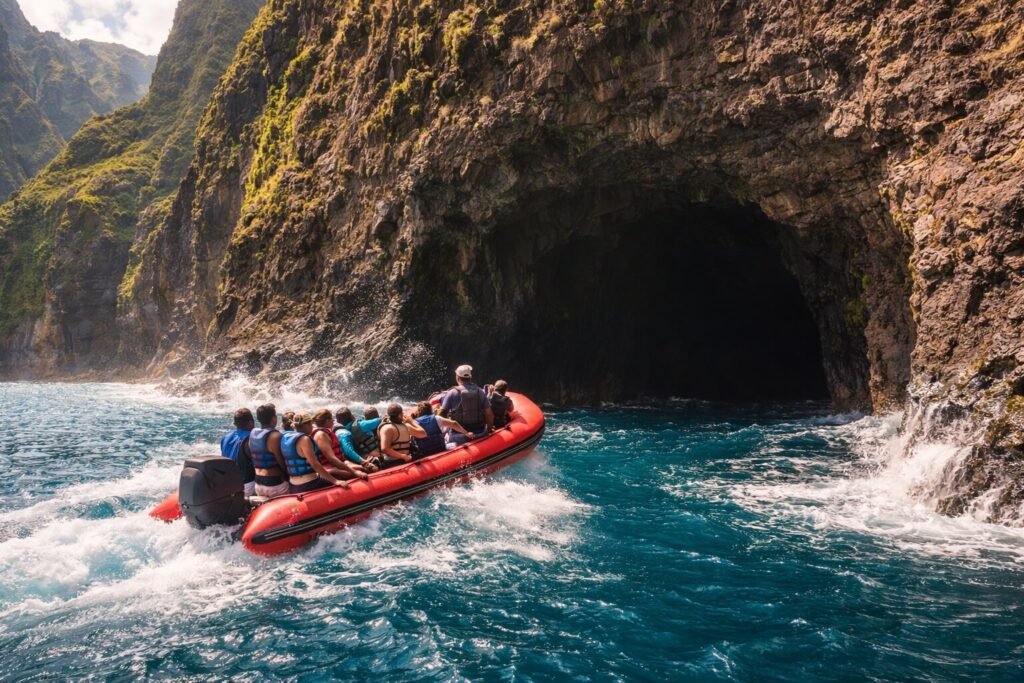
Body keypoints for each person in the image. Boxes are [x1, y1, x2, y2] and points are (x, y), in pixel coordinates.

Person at [281, 412, 350, 493]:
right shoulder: (305, 439)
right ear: (307, 425)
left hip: (293, 485)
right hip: (309, 484)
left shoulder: (285, 437)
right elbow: (314, 464)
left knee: (330, 473)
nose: (312, 427)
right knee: (344, 477)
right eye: (311, 424)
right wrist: (335, 481)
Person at [440, 364, 493, 445]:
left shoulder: (452, 393)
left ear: (457, 378)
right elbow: (489, 414)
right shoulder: (480, 392)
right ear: (470, 378)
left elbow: (441, 415)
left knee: (445, 436)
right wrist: (489, 431)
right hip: (480, 433)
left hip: (458, 436)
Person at [311, 409, 368, 481]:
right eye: (332, 418)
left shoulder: (327, 432)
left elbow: (341, 459)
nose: (334, 421)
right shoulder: (321, 435)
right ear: (327, 421)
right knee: (361, 471)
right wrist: (355, 472)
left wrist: (364, 464)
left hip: (336, 465)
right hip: (329, 468)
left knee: (365, 467)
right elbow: (332, 460)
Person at [250, 403, 290, 498]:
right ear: (273, 419)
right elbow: (282, 463)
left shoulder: (253, 433)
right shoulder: (275, 436)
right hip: (275, 484)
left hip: (258, 484)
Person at [220, 408, 257, 497]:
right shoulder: (251, 439)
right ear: (251, 422)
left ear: (235, 424)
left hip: (228, 484)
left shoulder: (225, 438)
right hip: (246, 485)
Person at [377, 403, 427, 468]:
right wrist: (411, 422)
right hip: (396, 462)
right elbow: (423, 434)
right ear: (400, 415)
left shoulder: (385, 427)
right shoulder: (406, 427)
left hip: (392, 461)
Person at [333, 406, 379, 472]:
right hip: (368, 457)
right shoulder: (361, 424)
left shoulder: (340, 433)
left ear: (338, 421)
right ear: (351, 416)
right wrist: (363, 462)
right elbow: (378, 420)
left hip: (360, 456)